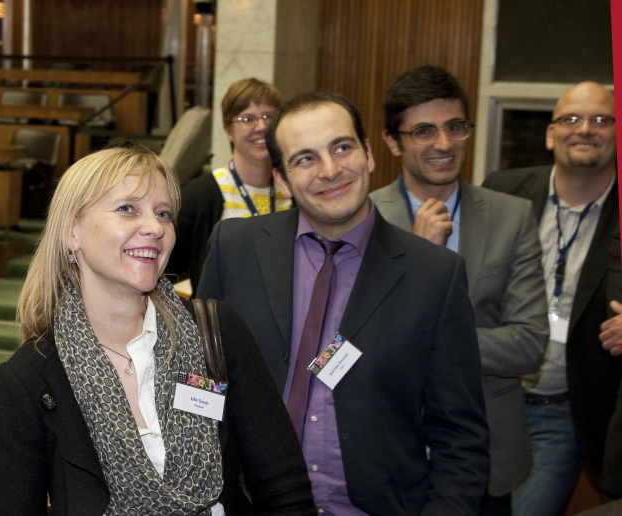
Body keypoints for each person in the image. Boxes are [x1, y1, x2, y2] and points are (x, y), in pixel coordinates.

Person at [0, 142, 316, 515]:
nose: (155, 228)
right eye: (128, 209)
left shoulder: (217, 333)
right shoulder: (28, 380)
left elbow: (284, 486)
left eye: (164, 213)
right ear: (72, 231)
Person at [196, 91, 490, 514]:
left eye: (342, 147)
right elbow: (200, 379)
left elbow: (461, 438)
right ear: (281, 178)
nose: (330, 170)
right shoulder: (234, 248)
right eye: (305, 158)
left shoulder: (435, 275)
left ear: (369, 153)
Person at [369, 65, 549, 515]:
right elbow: (349, 342)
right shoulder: (361, 218)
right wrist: (420, 256)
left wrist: (430, 339)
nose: (445, 144)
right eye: (424, 131)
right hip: (384, 455)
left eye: (455, 127)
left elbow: (529, 343)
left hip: (486, 455)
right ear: (393, 142)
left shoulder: (512, 217)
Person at [483, 81, 622, 514]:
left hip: (563, 413)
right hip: (490, 397)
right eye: (571, 119)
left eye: (601, 119)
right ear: (550, 134)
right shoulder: (502, 191)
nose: (585, 129)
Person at [168, 78, 293, 295]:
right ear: (227, 130)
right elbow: (163, 270)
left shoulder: (296, 190)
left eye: (269, 117)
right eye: (247, 119)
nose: (261, 126)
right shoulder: (200, 197)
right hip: (222, 325)